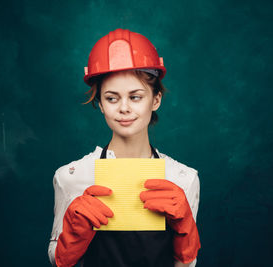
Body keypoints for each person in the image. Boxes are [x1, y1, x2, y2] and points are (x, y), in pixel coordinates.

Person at [48, 29, 201, 267]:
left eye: (136, 97)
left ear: (156, 99)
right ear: (100, 104)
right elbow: (58, 260)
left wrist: (186, 236)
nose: (124, 108)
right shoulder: (71, 176)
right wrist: (72, 237)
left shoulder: (184, 179)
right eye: (112, 98)